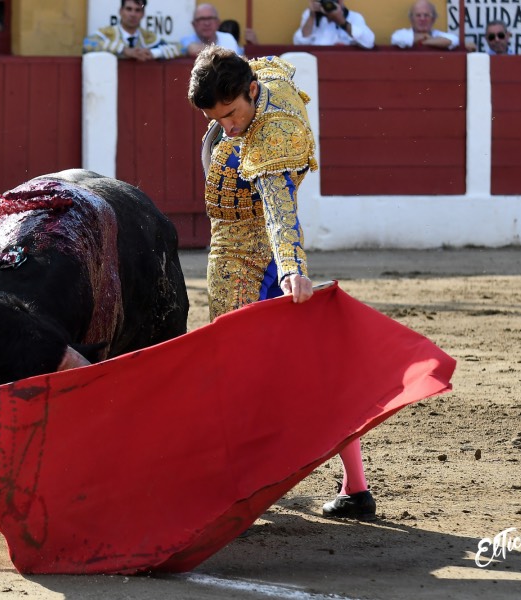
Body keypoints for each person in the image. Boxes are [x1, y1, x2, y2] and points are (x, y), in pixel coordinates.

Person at [187, 45, 376, 520]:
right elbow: (247, 67)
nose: (227, 126)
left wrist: (291, 267)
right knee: (311, 367)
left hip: (245, 258)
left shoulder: (273, 134)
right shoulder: (259, 81)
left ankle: (241, 484)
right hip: (248, 249)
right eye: (215, 118)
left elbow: (277, 208)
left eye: (230, 115)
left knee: (236, 370)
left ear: (252, 92)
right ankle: (355, 487)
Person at [83, 0, 180, 61]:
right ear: (121, 11)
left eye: (137, 10)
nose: (133, 14)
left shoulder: (148, 38)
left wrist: (153, 53)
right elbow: (87, 44)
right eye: (129, 9)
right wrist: (124, 50)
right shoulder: (108, 33)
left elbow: (179, 48)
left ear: (143, 14)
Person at [292, 0, 374, 49]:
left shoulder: (354, 17)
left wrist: (342, 22)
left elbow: (369, 42)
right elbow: (299, 43)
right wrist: (312, 16)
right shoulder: (311, 16)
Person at [391, 0, 458, 50]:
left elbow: (453, 40)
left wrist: (423, 41)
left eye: (426, 15)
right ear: (411, 19)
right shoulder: (401, 34)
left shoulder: (439, 34)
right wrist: (426, 38)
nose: (422, 19)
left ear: (433, 19)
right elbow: (397, 39)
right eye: (418, 15)